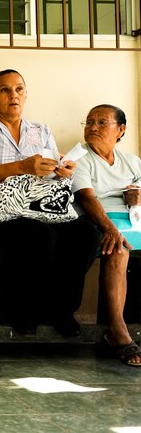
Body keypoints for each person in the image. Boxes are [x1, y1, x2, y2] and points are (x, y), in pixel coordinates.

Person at [0, 69, 99, 336]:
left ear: (26, 95)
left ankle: (62, 310)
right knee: (38, 236)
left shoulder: (41, 130)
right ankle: (22, 311)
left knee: (86, 235)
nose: (13, 95)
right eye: (5, 90)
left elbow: (51, 171)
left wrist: (63, 169)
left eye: (19, 89)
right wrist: (23, 166)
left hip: (39, 210)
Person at [72, 104, 141, 366]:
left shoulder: (131, 161)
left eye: (102, 122)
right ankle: (117, 331)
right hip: (99, 220)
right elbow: (87, 199)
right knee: (118, 248)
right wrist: (110, 229)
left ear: (120, 130)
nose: (93, 127)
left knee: (122, 242)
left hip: (132, 222)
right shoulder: (81, 158)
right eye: (89, 122)